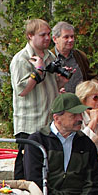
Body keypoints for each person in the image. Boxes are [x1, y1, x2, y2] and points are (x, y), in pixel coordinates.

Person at [10, 19, 66, 179]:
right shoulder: (21, 59)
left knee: (46, 164)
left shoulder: (50, 56)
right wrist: (38, 71)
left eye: (48, 34)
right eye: (42, 35)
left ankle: (43, 192)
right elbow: (22, 90)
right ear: (30, 36)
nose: (47, 38)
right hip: (30, 123)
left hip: (48, 121)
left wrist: (62, 80)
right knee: (26, 166)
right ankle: (22, 192)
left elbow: (52, 85)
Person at [52, 21, 95, 93]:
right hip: (60, 99)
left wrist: (91, 87)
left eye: (72, 36)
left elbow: (92, 76)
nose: (71, 40)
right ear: (55, 39)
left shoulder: (80, 56)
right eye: (66, 37)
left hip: (80, 99)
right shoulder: (49, 58)